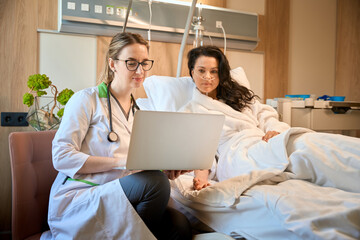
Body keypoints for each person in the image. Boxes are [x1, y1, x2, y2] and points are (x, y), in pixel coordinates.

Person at [43, 32, 192, 240]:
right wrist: (122, 162)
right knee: (156, 183)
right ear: (112, 64)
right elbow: (61, 157)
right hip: (83, 196)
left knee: (179, 225)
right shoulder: (87, 100)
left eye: (144, 63)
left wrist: (167, 169)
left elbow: (140, 167)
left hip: (123, 194)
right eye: (131, 63)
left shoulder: (139, 112)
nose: (140, 70)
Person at [182, 45, 360, 193]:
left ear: (221, 74)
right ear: (192, 72)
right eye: (201, 71)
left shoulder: (237, 97)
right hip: (236, 156)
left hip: (262, 141)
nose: (208, 77)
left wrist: (275, 130)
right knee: (302, 154)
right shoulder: (191, 110)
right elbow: (199, 150)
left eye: (214, 71)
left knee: (308, 142)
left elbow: (265, 115)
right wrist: (201, 179)